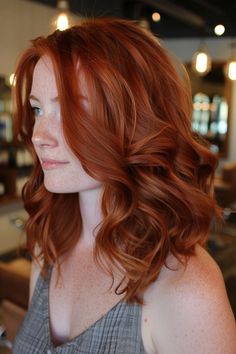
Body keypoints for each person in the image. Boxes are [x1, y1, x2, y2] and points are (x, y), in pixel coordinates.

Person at [12, 18, 236, 354]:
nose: (39, 136)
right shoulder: (49, 249)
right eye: (38, 109)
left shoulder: (188, 290)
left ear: (133, 119)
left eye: (70, 110)